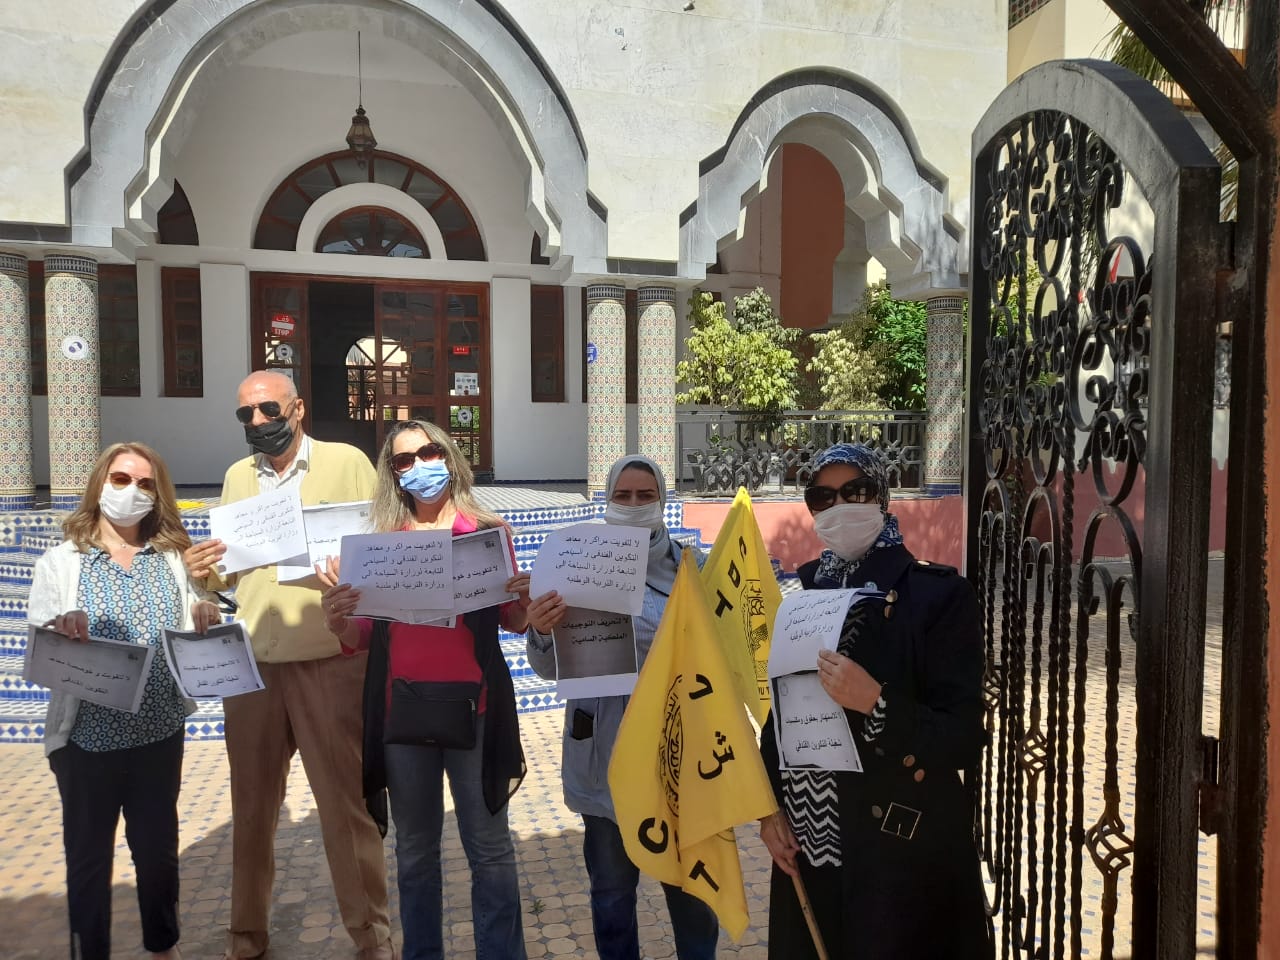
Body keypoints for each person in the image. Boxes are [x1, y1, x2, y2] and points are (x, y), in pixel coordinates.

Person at [182, 370, 393, 960]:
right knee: (251, 808)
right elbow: (227, 573)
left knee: (345, 809)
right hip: (252, 667)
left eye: (268, 410)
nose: (258, 423)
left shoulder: (346, 463)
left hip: (328, 661)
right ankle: (246, 934)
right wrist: (202, 571)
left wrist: (349, 578)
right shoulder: (237, 477)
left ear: (297, 408)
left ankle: (372, 936)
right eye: (246, 415)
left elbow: (378, 546)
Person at [757, 442, 989, 959]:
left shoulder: (937, 597)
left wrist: (877, 703)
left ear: (881, 497)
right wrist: (768, 813)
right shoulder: (801, 597)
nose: (839, 506)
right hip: (810, 846)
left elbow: (963, 737)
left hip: (896, 857)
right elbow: (781, 719)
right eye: (823, 497)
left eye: (855, 491)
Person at [317, 419, 529, 960]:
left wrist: (526, 599)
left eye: (429, 452)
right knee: (414, 853)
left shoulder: (486, 533)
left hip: (475, 711)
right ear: (393, 474)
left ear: (449, 456)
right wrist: (338, 621)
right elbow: (363, 635)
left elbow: (513, 618)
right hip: (403, 715)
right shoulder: (382, 544)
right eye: (404, 460)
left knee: (489, 850)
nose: (419, 466)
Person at [27, 442, 222, 960]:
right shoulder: (62, 563)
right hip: (86, 742)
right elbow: (40, 648)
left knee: (157, 855)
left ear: (158, 494)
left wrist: (204, 612)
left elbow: (195, 615)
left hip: (158, 734)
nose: (132, 491)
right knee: (88, 859)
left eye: (145, 483)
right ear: (99, 484)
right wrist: (61, 628)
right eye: (120, 479)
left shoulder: (170, 559)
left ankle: (163, 945)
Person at [525, 455, 721, 960]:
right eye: (623, 496)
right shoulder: (574, 566)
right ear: (607, 499)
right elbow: (547, 669)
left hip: (680, 760)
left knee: (693, 894)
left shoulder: (694, 569)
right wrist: (542, 628)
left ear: (663, 500)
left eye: (645, 496)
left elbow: (723, 656)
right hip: (605, 759)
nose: (634, 505)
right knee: (612, 895)